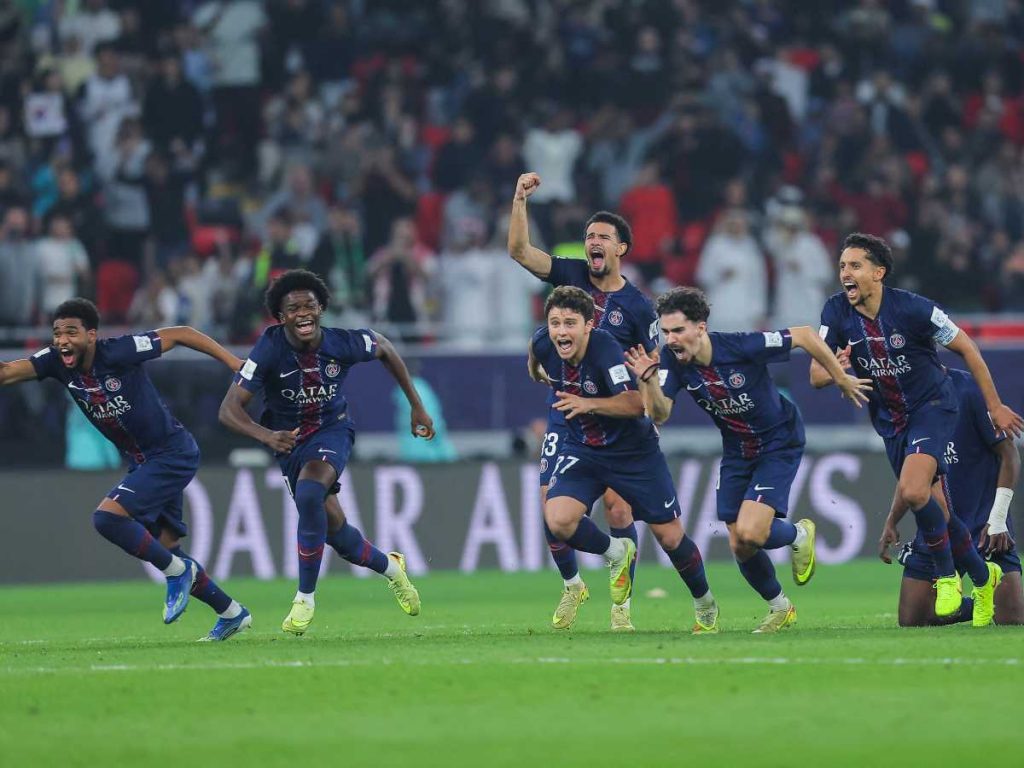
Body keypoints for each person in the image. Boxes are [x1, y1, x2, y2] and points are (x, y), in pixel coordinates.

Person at [0, 298, 251, 641]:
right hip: (142, 460)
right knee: (168, 547)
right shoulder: (55, 363)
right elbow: (7, 372)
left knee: (108, 518)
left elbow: (180, 334)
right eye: (57, 333)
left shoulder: (119, 351)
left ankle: (178, 574)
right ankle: (231, 612)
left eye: (71, 332)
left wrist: (233, 361)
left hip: (170, 453)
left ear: (91, 335)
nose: (62, 340)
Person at [626, 287, 870, 632]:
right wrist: (648, 381)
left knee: (752, 532)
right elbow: (660, 414)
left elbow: (804, 335)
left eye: (678, 330)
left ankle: (798, 533)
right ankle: (780, 607)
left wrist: (840, 377)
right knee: (739, 543)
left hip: (778, 440)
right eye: (666, 333)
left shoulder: (740, 345)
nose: (672, 339)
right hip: (737, 449)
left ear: (700, 327)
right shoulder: (671, 363)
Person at [810, 233, 1023, 626]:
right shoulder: (835, 312)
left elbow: (968, 348)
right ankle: (981, 575)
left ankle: (947, 576)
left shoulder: (914, 310)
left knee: (914, 489)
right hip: (892, 421)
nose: (845, 273)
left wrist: (994, 405)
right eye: (842, 266)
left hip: (933, 406)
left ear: (879, 272)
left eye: (855, 266)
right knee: (934, 506)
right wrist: (838, 369)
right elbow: (816, 375)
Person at [218, 269, 434, 635]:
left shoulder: (340, 343)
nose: (303, 313)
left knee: (309, 493)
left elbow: (384, 346)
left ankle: (305, 597)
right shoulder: (269, 348)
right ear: (281, 316)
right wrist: (266, 436)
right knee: (339, 537)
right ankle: (392, 568)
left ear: (321, 309)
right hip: (288, 442)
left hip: (332, 430)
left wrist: (416, 405)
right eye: (293, 308)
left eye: (310, 305)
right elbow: (229, 410)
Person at [509, 171, 659, 632]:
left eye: (602, 237)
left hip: (613, 419)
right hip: (566, 411)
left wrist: (651, 401)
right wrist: (519, 200)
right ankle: (573, 584)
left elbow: (656, 361)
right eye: (588, 235)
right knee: (551, 511)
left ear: (621, 250)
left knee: (617, 508)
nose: (592, 242)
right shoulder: (572, 275)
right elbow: (519, 252)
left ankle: (622, 608)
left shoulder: (638, 307)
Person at [529, 286, 720, 633]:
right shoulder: (545, 342)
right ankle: (616, 552)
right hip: (584, 449)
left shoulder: (605, 349)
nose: (560, 331)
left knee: (670, 538)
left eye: (570, 323)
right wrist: (535, 369)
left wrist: (587, 404)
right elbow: (535, 350)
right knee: (557, 519)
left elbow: (635, 404)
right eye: (555, 323)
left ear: (589, 325)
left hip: (632, 452)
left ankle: (704, 601)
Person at [879, 368, 1023, 626]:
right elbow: (910, 474)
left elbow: (1010, 455)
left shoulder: (969, 389)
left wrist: (998, 518)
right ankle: (979, 604)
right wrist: (893, 519)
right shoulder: (904, 402)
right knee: (913, 619)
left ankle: (991, 595)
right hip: (938, 527)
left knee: (1012, 619)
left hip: (985, 524)